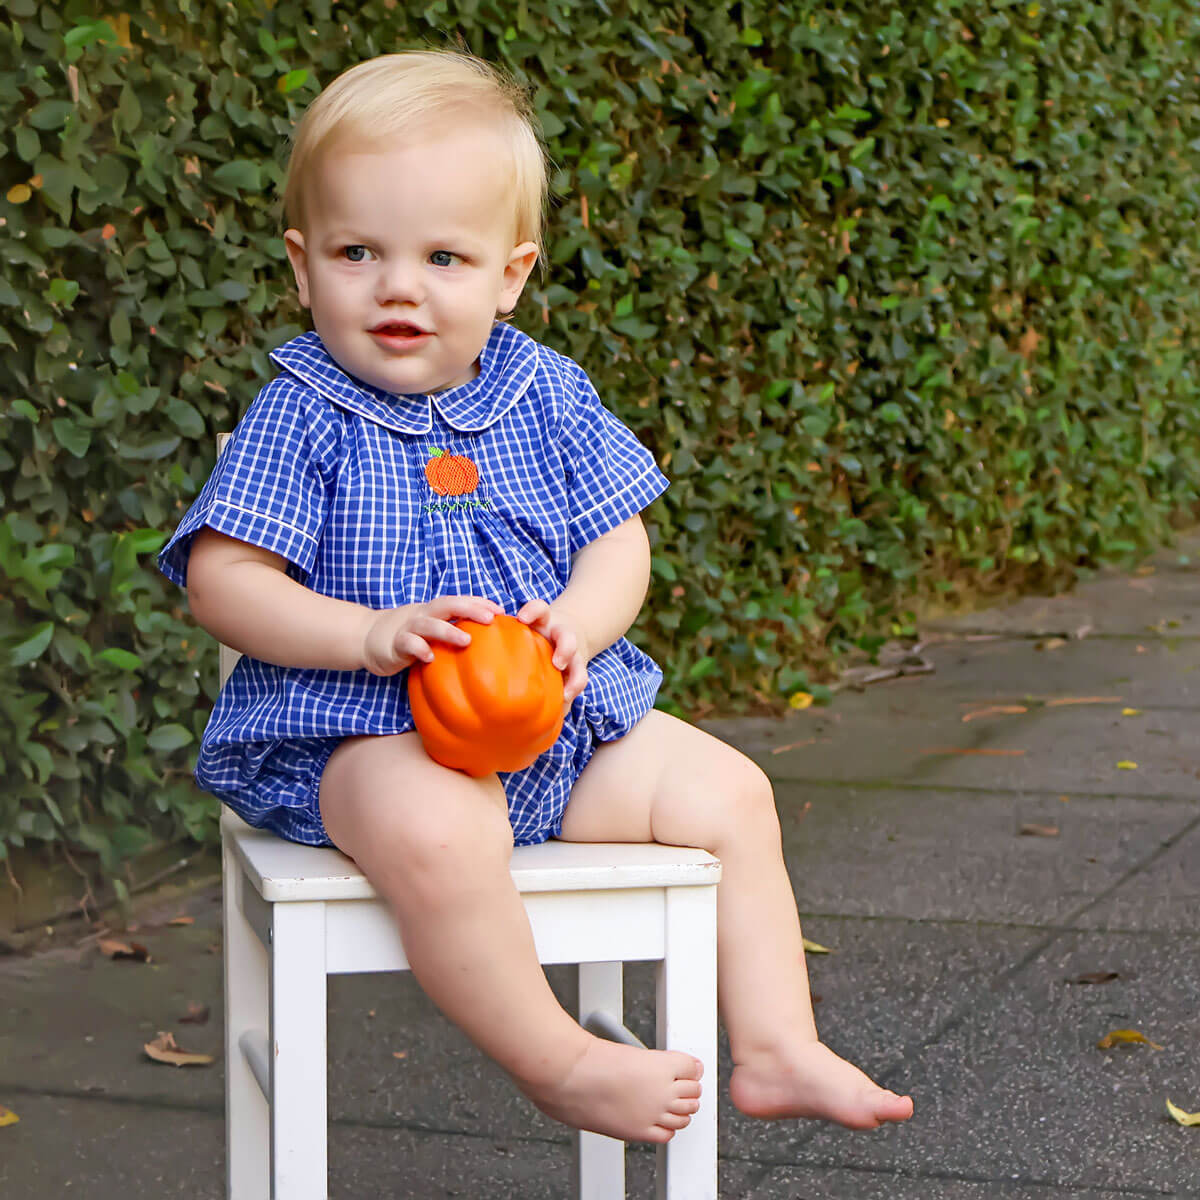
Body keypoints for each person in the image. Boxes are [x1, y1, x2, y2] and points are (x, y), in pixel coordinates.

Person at [159, 48, 914, 1143]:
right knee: (435, 824)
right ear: (303, 262)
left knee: (731, 791)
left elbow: (623, 543)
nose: (398, 286)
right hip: (365, 744)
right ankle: (558, 1059)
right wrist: (367, 634)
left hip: (556, 731)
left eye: (444, 257)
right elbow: (227, 583)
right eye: (358, 252)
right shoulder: (301, 414)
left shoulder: (549, 393)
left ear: (510, 275)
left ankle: (778, 1044)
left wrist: (582, 621)